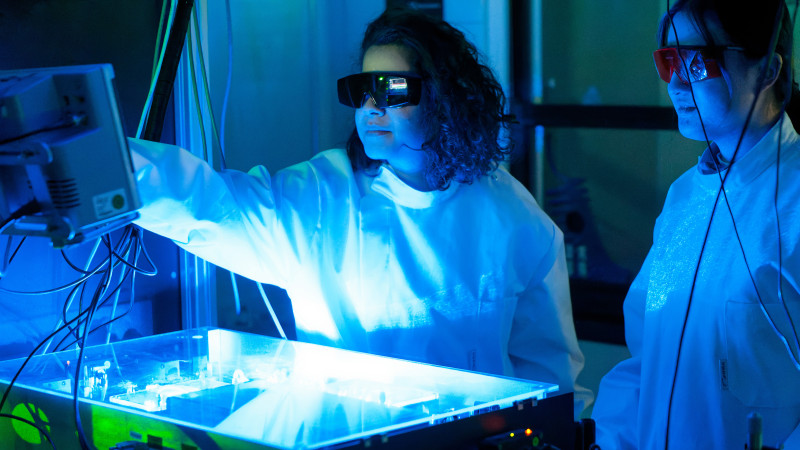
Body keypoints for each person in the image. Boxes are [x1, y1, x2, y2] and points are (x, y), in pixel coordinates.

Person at [129, 8, 590, 417]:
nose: (370, 107)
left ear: (446, 99)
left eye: (391, 89)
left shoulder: (511, 215)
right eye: (363, 89)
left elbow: (550, 374)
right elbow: (210, 207)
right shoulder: (324, 198)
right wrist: (107, 167)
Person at [591, 0, 800, 448]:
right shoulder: (685, 196)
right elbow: (645, 360)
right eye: (669, 61)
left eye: (697, 62)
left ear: (767, 69)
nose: (676, 83)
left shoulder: (794, 200)